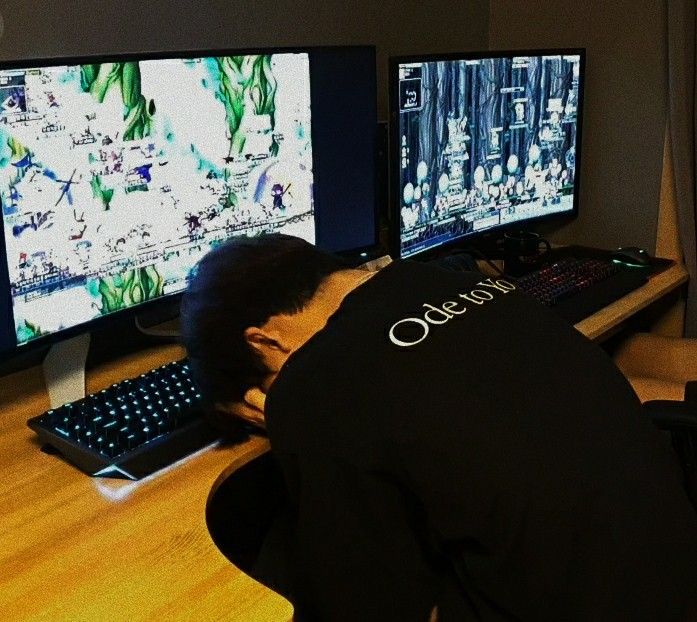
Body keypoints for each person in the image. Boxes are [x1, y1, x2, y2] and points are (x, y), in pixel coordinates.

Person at [181, 234, 697, 622]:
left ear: (264, 340)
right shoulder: (464, 283)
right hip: (672, 573)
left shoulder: (317, 381)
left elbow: (363, 606)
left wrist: (295, 416)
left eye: (267, 383)